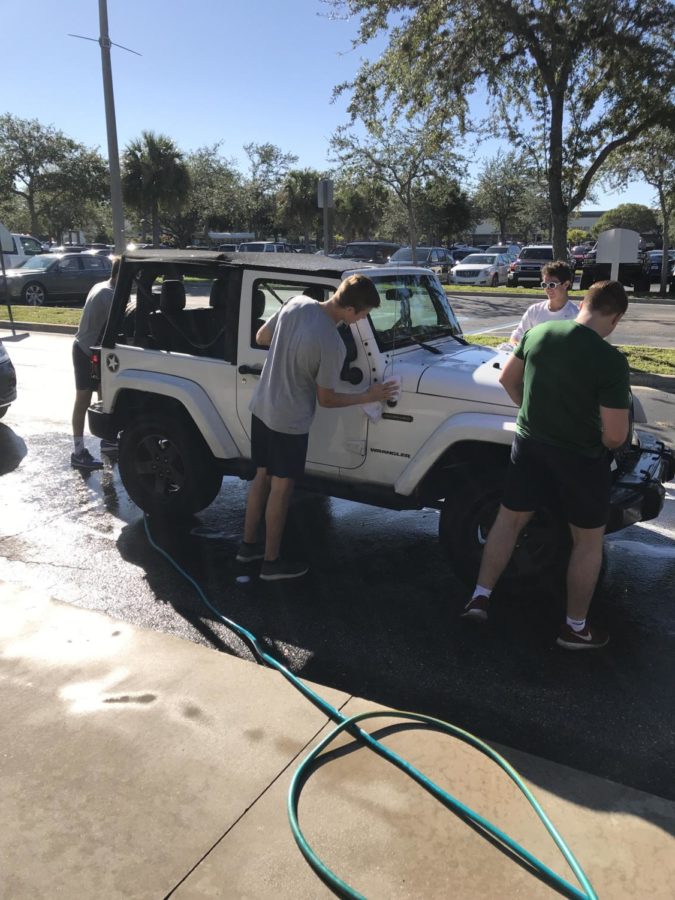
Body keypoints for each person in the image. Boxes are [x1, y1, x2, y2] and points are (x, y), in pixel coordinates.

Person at [461, 280, 631, 650]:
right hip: (581, 458)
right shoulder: (610, 361)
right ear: (615, 318)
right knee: (587, 541)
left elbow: (508, 378)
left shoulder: (539, 332)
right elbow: (616, 436)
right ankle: (574, 628)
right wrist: (594, 439)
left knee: (508, 520)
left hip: (529, 445)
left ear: (584, 302)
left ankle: (480, 596)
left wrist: (529, 413)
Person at [237, 274, 397, 581]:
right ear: (350, 311)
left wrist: (291, 349)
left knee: (261, 476)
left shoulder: (297, 303)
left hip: (262, 407)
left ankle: (247, 547)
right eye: (363, 314)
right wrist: (370, 395)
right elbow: (327, 399)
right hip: (290, 420)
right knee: (281, 489)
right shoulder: (333, 344)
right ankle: (271, 563)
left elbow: (261, 336)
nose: (363, 319)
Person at [70, 256, 120, 470]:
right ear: (121, 274)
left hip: (94, 350)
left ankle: (107, 440)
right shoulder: (107, 295)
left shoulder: (103, 286)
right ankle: (78, 452)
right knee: (83, 399)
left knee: (104, 393)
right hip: (85, 351)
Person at [509, 260, 578, 346]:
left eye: (552, 285)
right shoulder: (534, 311)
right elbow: (517, 336)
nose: (548, 289)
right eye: (545, 285)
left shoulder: (576, 315)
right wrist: (516, 346)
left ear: (566, 284)